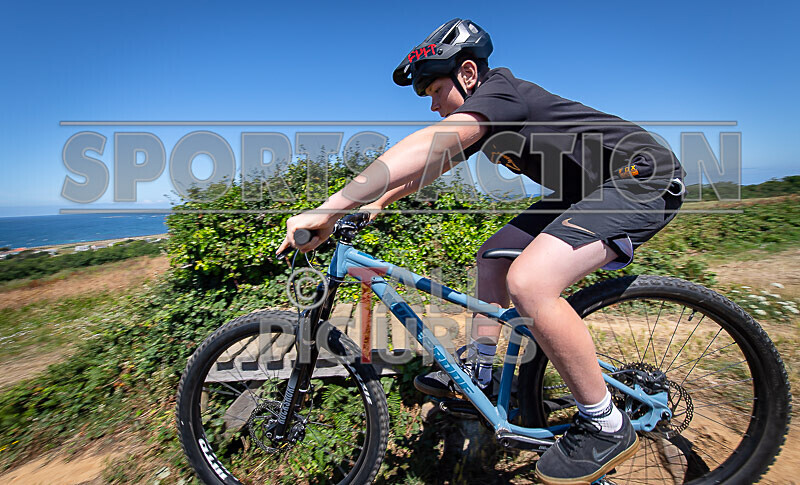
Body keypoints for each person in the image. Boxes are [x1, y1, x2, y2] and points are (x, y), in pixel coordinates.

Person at [277, 18, 685, 485]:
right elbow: (431, 165)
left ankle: (606, 425)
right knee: (494, 255)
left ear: (468, 74)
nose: (432, 105)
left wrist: (328, 208)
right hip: (586, 192)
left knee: (529, 283)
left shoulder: (501, 93)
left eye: (435, 90)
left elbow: (429, 144)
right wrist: (378, 202)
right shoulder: (491, 119)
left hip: (640, 177)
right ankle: (481, 370)